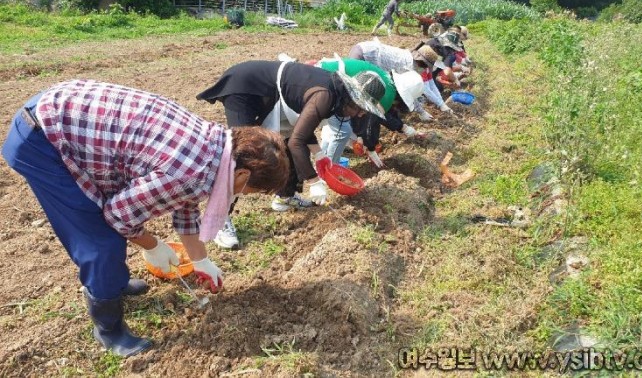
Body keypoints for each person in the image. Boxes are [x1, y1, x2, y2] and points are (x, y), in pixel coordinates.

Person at [1, 79, 290, 357]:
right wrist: (152, 245)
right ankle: (108, 330)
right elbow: (118, 215)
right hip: (43, 138)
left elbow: (186, 204)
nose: (243, 194)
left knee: (110, 234)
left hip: (64, 113)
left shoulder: (217, 146)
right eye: (250, 190)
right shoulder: (188, 172)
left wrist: (200, 260)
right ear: (241, 174)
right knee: (101, 241)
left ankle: (113, 283)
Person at [197, 60, 386, 246]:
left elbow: (302, 130)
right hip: (247, 88)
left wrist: (319, 155)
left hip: (274, 96)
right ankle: (219, 221)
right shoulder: (325, 96)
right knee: (242, 157)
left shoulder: (334, 94)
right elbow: (298, 141)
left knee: (284, 146)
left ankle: (285, 196)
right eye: (360, 108)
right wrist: (314, 181)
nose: (361, 114)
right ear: (351, 98)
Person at [315, 57, 424, 167]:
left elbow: (384, 115)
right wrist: (370, 148)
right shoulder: (387, 96)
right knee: (342, 131)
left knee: (338, 127)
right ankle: (330, 169)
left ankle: (323, 163)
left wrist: (403, 128)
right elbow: (369, 122)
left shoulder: (388, 85)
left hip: (324, 73)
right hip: (328, 81)